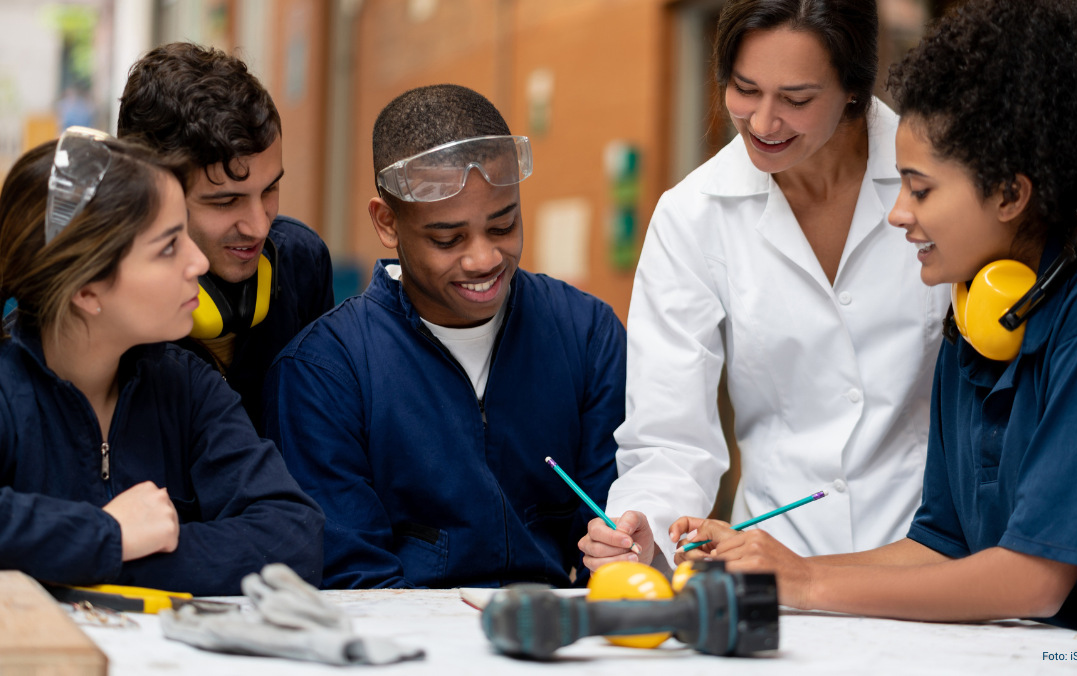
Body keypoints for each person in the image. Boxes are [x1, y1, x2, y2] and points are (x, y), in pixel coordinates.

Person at [674, 0, 1077, 655]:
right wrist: (770, 563)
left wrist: (806, 582)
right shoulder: (972, 323)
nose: (897, 214)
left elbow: (1032, 582)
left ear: (1010, 194)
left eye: (919, 189)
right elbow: (940, 543)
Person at [579, 0, 1077, 571]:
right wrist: (643, 528)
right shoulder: (691, 216)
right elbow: (671, 438)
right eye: (745, 89)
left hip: (941, 565)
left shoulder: (949, 173)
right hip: (774, 566)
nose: (764, 123)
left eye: (796, 100)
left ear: (853, 90)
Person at [263, 85, 626, 589]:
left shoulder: (586, 335)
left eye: (504, 225)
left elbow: (613, 540)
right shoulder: (325, 371)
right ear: (386, 222)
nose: (483, 260)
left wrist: (623, 554)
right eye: (447, 239)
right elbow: (352, 582)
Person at [0, 130, 324, 595]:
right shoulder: (8, 391)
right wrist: (107, 535)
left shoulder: (187, 385)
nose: (196, 262)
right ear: (86, 290)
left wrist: (89, 562)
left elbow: (294, 537)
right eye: (169, 246)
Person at [117, 43, 334, 431]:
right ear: (145, 194)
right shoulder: (97, 309)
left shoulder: (303, 263)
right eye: (227, 201)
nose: (260, 226)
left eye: (269, 190)